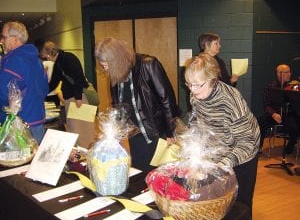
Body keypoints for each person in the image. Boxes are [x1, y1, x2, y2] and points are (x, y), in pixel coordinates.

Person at [185, 53, 260, 217]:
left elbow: (247, 142)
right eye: (189, 84)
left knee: (241, 205)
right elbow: (199, 122)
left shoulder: (231, 100)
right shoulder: (195, 95)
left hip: (242, 154)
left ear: (212, 79)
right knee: (219, 201)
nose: (192, 89)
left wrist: (224, 163)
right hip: (218, 153)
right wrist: (192, 142)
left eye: (197, 85)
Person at [95, 37, 179, 172]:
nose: (106, 70)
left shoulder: (148, 64)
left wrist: (171, 132)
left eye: (106, 65)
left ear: (116, 59)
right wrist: (116, 130)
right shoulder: (115, 72)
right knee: (139, 172)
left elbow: (167, 99)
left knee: (157, 173)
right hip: (135, 134)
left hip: (155, 131)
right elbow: (118, 104)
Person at [0, 21, 49, 143]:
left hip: (18, 123)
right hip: (36, 118)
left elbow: (3, 93)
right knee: (36, 158)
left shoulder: (14, 60)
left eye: (4, 37)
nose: (2, 41)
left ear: (15, 39)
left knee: (19, 159)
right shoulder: (36, 60)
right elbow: (44, 89)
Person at [40, 41, 95, 148]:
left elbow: (79, 77)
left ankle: (87, 150)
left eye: (46, 57)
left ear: (49, 54)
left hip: (79, 98)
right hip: (70, 98)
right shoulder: (59, 62)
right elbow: (54, 82)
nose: (47, 60)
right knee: (74, 128)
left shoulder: (69, 58)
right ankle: (79, 150)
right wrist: (42, 94)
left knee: (84, 128)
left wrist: (78, 97)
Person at [258, 64, 300, 154]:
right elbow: (266, 105)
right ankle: (259, 147)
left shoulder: (293, 86)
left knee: (295, 127)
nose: (289, 74)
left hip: (289, 114)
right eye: (286, 72)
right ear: (278, 74)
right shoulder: (270, 87)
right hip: (275, 114)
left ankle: (291, 144)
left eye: (289, 72)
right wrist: (273, 114)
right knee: (259, 122)